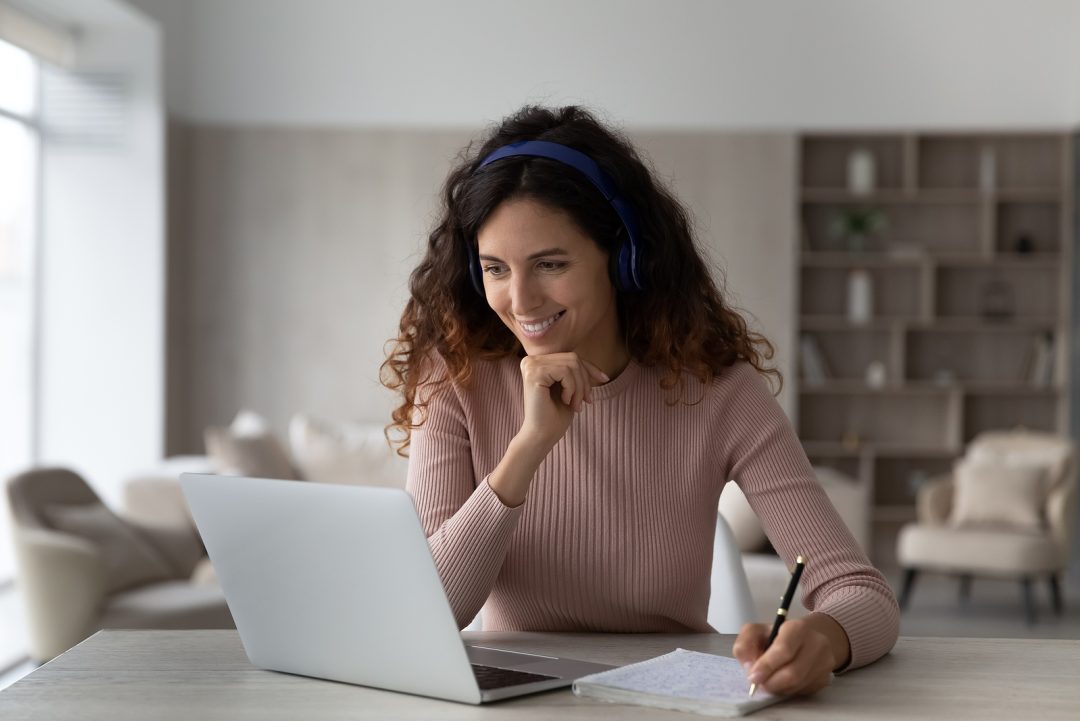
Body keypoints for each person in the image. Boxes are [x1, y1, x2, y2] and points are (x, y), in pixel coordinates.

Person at [381, 105, 899, 697]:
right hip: (514, 703)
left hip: (667, 701)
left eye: (551, 264)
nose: (519, 300)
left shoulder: (718, 390)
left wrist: (824, 640)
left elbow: (863, 593)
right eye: (495, 268)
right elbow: (427, 613)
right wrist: (529, 448)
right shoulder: (456, 377)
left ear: (625, 259)